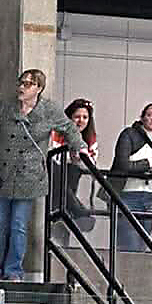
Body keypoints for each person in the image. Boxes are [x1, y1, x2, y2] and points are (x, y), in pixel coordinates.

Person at [0, 69, 83, 282]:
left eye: (28, 84)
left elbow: (69, 127)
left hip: (29, 176)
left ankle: (13, 271)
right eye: (21, 82)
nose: (21, 87)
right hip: (2, 174)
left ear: (38, 88)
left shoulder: (49, 109)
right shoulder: (6, 106)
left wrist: (79, 147)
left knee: (19, 225)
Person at [110, 102, 152, 252]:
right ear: (142, 117)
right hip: (127, 195)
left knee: (142, 244)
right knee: (129, 243)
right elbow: (123, 164)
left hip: (151, 197)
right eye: (150, 115)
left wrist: (142, 170)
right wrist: (149, 163)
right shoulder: (128, 134)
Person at [55, 98, 98, 239]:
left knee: (63, 228)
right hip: (52, 185)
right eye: (77, 117)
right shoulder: (56, 133)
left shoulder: (90, 139)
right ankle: (77, 210)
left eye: (85, 117)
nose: (81, 121)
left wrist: (77, 160)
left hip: (71, 184)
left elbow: (91, 164)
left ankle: (74, 209)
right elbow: (51, 156)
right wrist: (70, 156)